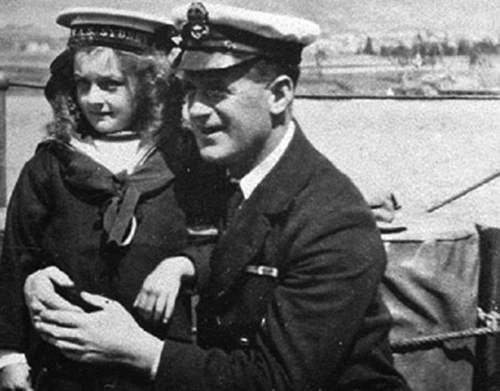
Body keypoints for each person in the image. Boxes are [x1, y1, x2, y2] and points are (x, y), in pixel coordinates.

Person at [28, 3, 412, 390]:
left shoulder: (331, 222)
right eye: (190, 90)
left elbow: (274, 380)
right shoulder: (237, 180)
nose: (195, 111)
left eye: (216, 92)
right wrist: (41, 281)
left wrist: (138, 350)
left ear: (279, 95)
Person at [0, 7, 230, 391]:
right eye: (83, 84)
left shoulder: (187, 161)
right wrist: (10, 356)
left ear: (150, 85)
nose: (93, 98)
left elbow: (221, 243)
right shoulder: (50, 165)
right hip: (67, 367)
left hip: (157, 364)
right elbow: (18, 261)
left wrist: (182, 266)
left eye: (111, 84)